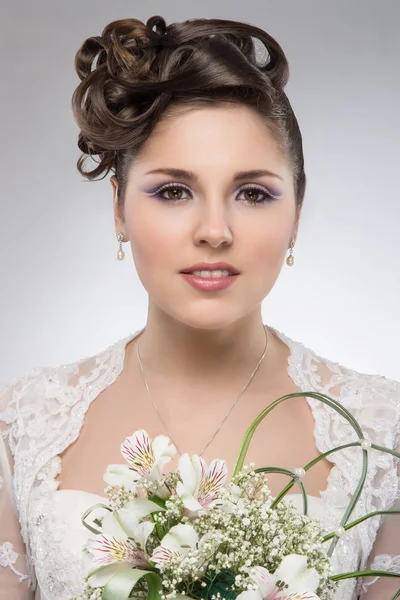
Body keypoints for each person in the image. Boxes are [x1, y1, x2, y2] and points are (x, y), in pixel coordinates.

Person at [0, 14, 399, 600]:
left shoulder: (381, 435)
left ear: (296, 211)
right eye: (173, 191)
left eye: (253, 193)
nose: (215, 230)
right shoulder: (23, 429)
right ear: (119, 208)